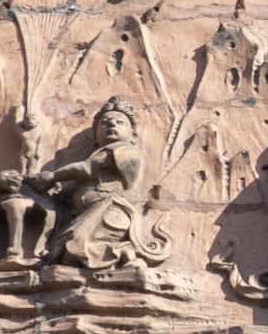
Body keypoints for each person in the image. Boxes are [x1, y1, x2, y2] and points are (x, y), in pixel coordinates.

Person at [33, 95, 171, 269]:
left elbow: (86, 169)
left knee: (75, 245)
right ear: (96, 136)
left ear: (133, 133)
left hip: (109, 210)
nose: (112, 124)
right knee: (67, 248)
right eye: (105, 122)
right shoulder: (102, 151)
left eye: (119, 122)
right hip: (90, 211)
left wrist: (53, 177)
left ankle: (125, 253)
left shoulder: (125, 152)